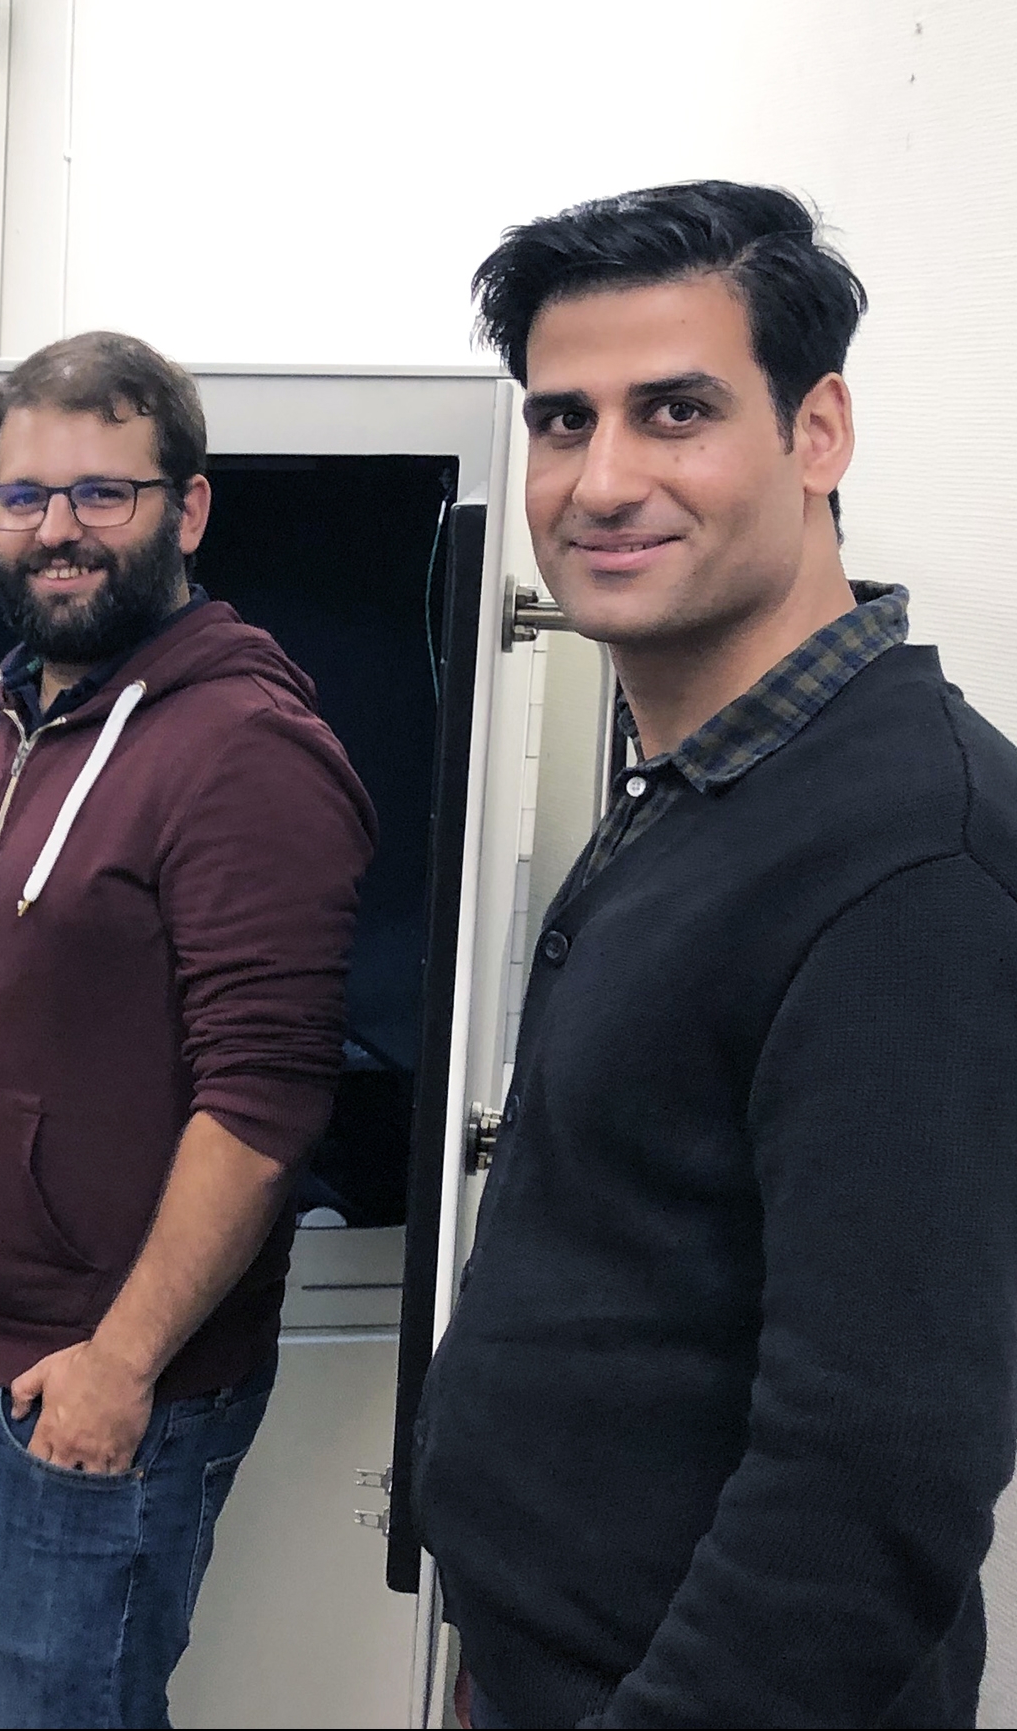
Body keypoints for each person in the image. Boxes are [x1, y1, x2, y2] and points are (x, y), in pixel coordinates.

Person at [413, 182, 1017, 1728]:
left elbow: (876, 1474)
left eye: (674, 411)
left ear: (819, 433)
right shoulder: (718, 788)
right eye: (562, 421)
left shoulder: (913, 859)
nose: (601, 479)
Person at [0, 330, 377, 1727]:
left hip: (84, 1393)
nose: (59, 532)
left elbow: (265, 1099)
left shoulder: (246, 749)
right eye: (27, 497)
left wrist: (121, 1365)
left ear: (186, 508)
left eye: (105, 494)